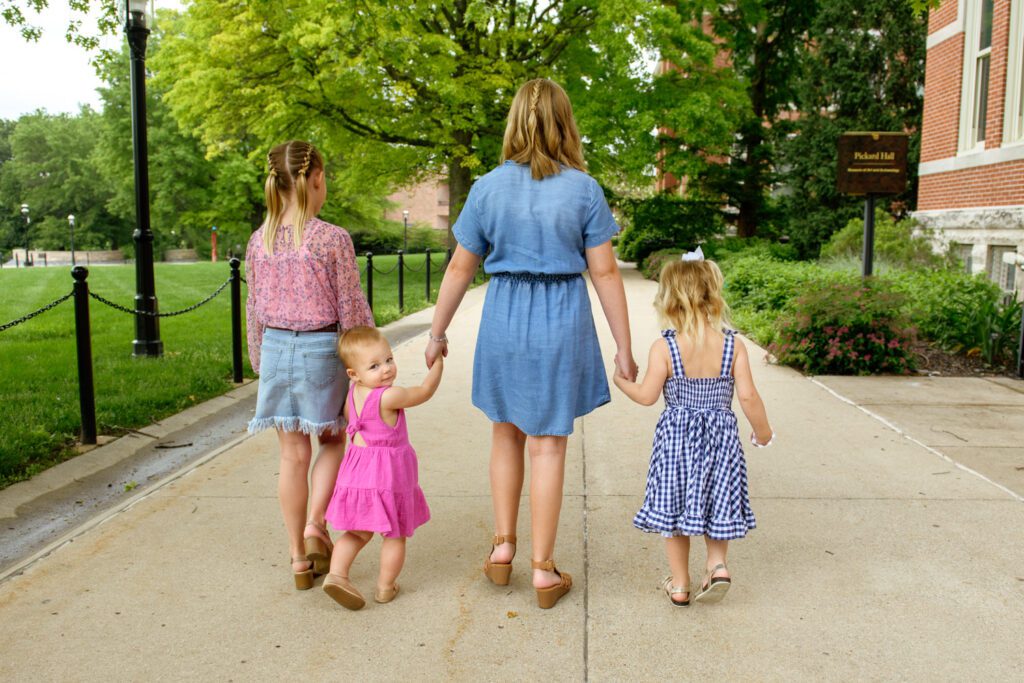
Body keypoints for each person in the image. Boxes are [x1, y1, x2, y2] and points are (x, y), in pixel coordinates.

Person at [425, 78, 637, 609]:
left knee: (505, 433)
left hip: (505, 312)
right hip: (560, 315)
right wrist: (624, 347)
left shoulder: (487, 188)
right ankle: (543, 571)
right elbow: (606, 273)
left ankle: (502, 549)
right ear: (566, 123)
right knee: (548, 444)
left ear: (515, 122)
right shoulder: (583, 189)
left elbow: (460, 265)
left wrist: (436, 332)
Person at [245, 140, 374, 590]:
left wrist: (259, 357)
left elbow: (253, 307)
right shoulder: (331, 238)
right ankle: (316, 524)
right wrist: (369, 362)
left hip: (277, 349)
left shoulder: (258, 241)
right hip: (322, 350)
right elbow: (351, 307)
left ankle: (299, 560)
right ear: (315, 180)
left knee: (291, 455)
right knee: (332, 441)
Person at [612, 249, 774, 606]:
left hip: (676, 444)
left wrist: (621, 381)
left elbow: (646, 396)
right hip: (721, 441)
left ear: (669, 301)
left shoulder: (665, 347)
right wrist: (763, 433)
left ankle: (681, 584)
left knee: (675, 510)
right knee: (718, 503)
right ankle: (717, 565)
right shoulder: (733, 345)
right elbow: (747, 397)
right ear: (713, 296)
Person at [321, 326, 439, 610]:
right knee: (394, 533)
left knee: (357, 532)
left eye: (388, 359)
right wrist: (438, 364)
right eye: (374, 366)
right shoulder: (389, 396)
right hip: (387, 475)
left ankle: (337, 575)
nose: (386, 369)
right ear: (354, 373)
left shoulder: (353, 396)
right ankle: (386, 587)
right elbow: (424, 391)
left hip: (357, 473)